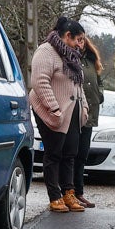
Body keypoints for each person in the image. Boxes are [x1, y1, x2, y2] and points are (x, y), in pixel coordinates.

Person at [28, 17, 89, 213]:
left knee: (70, 154)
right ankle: (54, 196)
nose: (81, 44)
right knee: (54, 153)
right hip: (50, 110)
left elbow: (78, 85)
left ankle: (68, 193)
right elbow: (39, 81)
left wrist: (85, 107)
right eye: (78, 39)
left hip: (71, 111)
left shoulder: (72, 56)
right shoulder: (46, 51)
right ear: (67, 36)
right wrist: (54, 108)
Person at [74, 35, 105, 208]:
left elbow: (99, 83)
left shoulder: (92, 61)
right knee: (72, 155)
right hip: (75, 114)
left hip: (90, 115)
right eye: (78, 39)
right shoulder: (71, 58)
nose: (81, 43)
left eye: (83, 40)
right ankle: (69, 193)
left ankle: (79, 193)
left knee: (82, 156)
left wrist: (99, 96)